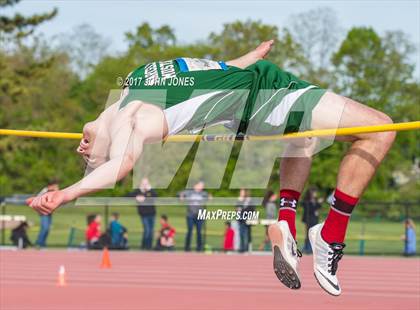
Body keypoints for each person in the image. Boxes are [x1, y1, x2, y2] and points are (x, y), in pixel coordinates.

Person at [27, 40, 397, 295]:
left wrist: (248, 56)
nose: (81, 146)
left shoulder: (132, 85)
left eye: (83, 150)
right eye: (88, 158)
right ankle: (330, 235)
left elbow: (210, 71)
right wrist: (69, 192)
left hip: (254, 88)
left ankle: (285, 221)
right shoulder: (134, 120)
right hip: (264, 97)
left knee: (303, 138)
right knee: (380, 130)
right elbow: (121, 164)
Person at [127, 177, 157, 250]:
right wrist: (136, 197)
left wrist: (149, 190)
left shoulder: (151, 191)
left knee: (151, 230)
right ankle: (145, 246)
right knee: (147, 230)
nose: (145, 185)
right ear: (141, 184)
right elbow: (127, 195)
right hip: (143, 214)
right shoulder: (137, 191)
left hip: (152, 213)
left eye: (146, 184)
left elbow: (155, 196)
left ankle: (148, 246)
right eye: (143, 184)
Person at [180, 180, 209, 251]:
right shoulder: (189, 192)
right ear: (196, 185)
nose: (202, 187)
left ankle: (199, 248)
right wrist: (182, 197)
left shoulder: (203, 193)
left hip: (199, 215)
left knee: (199, 232)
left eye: (203, 186)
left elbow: (209, 197)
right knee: (190, 231)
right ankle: (187, 247)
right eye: (201, 185)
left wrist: (209, 197)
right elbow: (181, 194)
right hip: (190, 215)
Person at [35, 180, 59, 248]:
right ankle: (39, 243)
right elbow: (38, 197)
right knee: (45, 228)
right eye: (55, 186)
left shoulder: (53, 192)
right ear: (50, 186)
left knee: (47, 228)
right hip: (43, 212)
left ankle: (42, 243)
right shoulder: (45, 190)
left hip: (49, 212)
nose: (57, 187)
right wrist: (50, 189)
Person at [301, 188, 322, 254]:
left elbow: (318, 207)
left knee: (315, 234)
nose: (316, 194)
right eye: (314, 192)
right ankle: (307, 248)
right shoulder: (306, 202)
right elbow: (310, 210)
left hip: (315, 219)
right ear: (311, 193)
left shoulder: (314, 200)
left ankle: (312, 248)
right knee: (308, 234)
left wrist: (318, 203)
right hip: (309, 220)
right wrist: (317, 203)